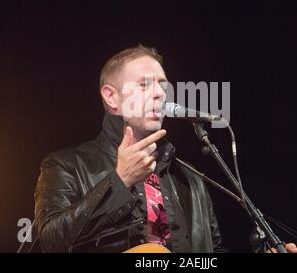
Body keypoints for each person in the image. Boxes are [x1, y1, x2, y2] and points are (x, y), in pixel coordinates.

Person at [34, 44, 226, 253]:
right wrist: (120, 180)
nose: (159, 94)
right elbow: (50, 242)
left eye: (163, 86)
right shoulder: (66, 164)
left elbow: (213, 251)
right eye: (144, 85)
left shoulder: (189, 177)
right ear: (111, 97)